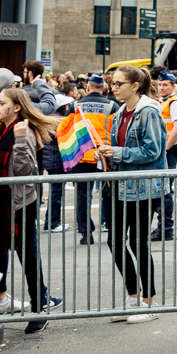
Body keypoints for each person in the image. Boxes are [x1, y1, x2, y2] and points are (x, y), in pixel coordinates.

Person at [0, 87, 59, 333]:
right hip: (1, 201)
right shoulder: (0, 129)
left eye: (1, 103)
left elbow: (26, 169)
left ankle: (39, 308)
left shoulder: (22, 131)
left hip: (19, 203)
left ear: (16, 107)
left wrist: (18, 140)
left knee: (27, 256)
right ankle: (1, 297)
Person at [101, 66, 167, 322]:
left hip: (143, 186)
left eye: (119, 83)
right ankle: (133, 296)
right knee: (115, 242)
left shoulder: (147, 112)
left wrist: (116, 153)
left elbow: (153, 151)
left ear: (135, 86)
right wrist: (107, 152)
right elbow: (120, 147)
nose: (114, 88)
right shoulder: (120, 112)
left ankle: (149, 302)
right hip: (121, 184)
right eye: (113, 83)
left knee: (139, 243)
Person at [71, 75, 116, 245]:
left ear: (88, 88)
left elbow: (66, 131)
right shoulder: (112, 105)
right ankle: (112, 229)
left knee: (83, 196)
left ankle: (86, 233)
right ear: (103, 89)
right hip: (105, 156)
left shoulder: (75, 105)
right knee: (108, 195)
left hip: (82, 157)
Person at [152, 72, 177, 241]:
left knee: (164, 190)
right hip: (162, 150)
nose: (161, 87)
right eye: (160, 85)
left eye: (165, 85)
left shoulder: (175, 103)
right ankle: (163, 227)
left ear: (173, 86)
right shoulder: (161, 101)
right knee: (160, 189)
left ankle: (166, 228)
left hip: (168, 150)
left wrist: (164, 149)